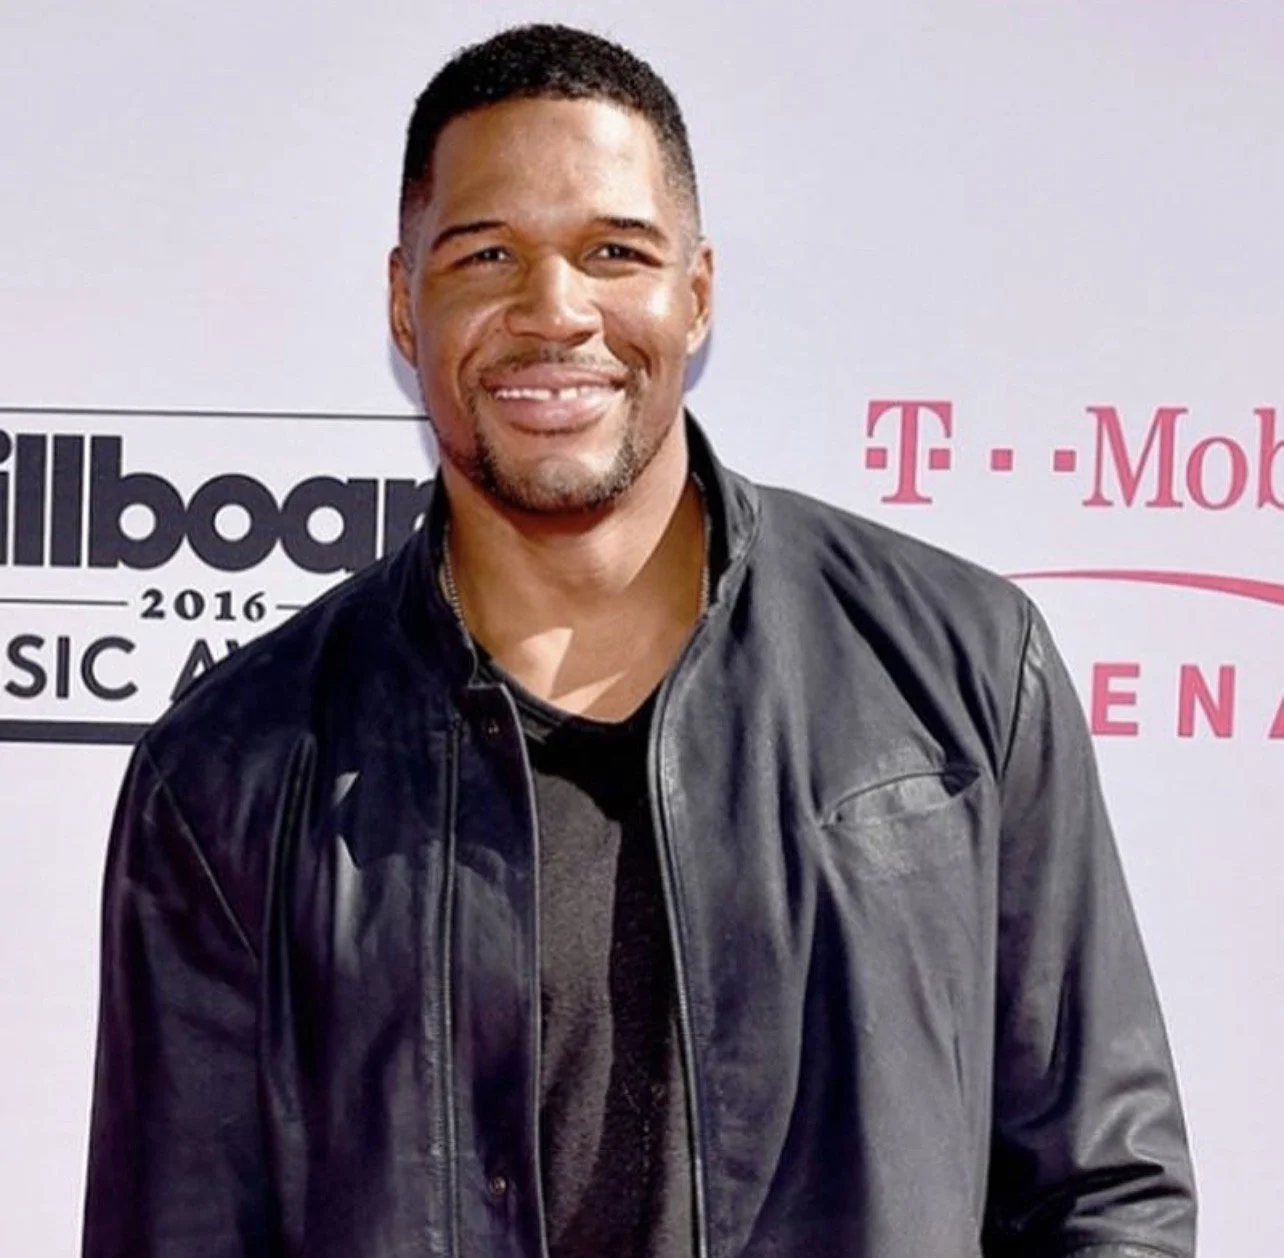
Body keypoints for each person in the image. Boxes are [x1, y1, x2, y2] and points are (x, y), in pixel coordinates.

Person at [82, 22, 1196, 1258]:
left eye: (614, 251)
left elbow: (1106, 1190)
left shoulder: (963, 666)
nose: (553, 312)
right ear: (405, 305)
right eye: (484, 253)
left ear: (697, 292)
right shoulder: (235, 769)